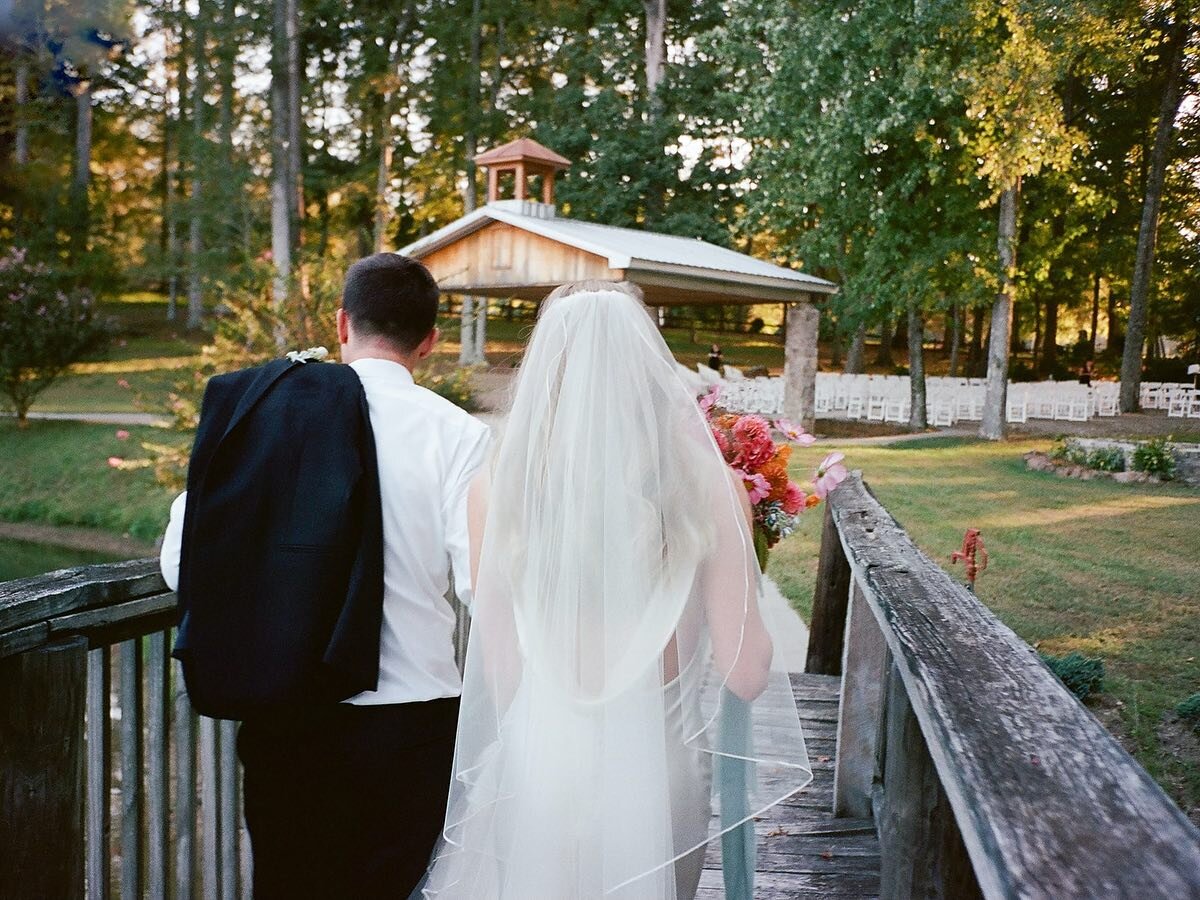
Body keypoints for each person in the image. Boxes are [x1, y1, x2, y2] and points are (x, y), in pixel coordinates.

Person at [422, 281, 811, 900]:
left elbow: (501, 673)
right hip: (657, 782)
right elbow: (747, 673)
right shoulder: (709, 487)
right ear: (648, 373)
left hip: (540, 771)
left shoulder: (495, 488)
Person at [160, 253, 491, 899]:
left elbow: (183, 565)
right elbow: (482, 583)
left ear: (342, 323)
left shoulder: (263, 414)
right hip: (410, 717)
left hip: (284, 709)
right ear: (430, 340)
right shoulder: (458, 434)